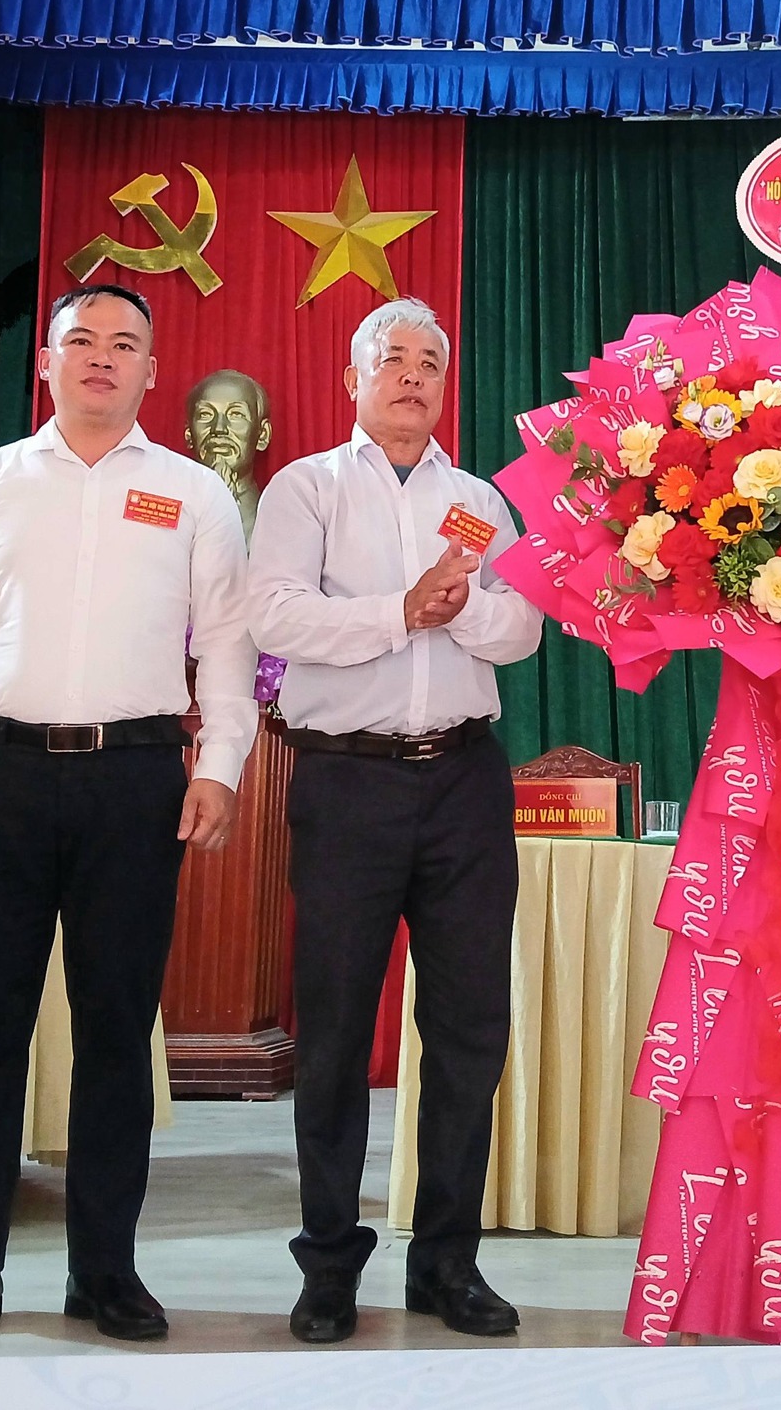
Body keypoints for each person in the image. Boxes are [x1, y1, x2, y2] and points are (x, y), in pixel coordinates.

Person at [0, 285, 256, 1351]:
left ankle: (106, 1271)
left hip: (134, 780)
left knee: (116, 1034)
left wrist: (221, 763)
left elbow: (227, 640)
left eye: (124, 344)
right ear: (47, 362)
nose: (101, 356)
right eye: (80, 340)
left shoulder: (191, 493)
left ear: (150, 370)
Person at [248, 297, 540, 1345]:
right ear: (354, 379)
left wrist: (466, 608)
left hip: (465, 783)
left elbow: (522, 630)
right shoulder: (307, 487)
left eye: (429, 362)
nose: (413, 376)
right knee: (331, 1032)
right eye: (393, 359)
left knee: (468, 1031)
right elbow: (273, 613)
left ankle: (447, 1264)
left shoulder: (480, 501)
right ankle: (328, 1265)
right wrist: (397, 613)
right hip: (348, 784)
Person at [186, 368, 273, 545]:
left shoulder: (279, 522)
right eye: (206, 414)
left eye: (236, 415)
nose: (219, 428)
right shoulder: (170, 510)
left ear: (262, 434)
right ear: (189, 434)